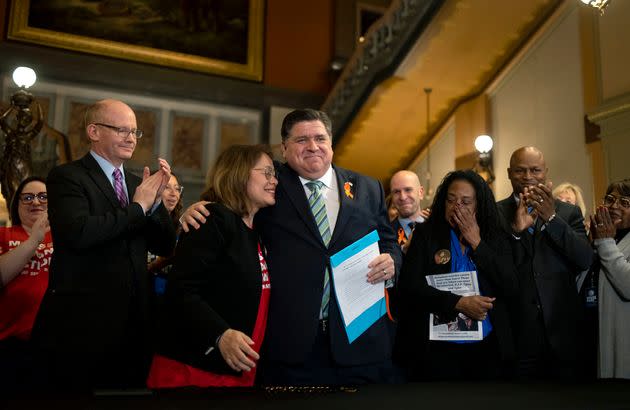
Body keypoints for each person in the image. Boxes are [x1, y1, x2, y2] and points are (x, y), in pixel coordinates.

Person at [181, 109, 402, 386]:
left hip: (360, 341)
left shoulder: (368, 187)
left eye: (320, 138)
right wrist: (193, 209)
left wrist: (393, 261)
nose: (313, 146)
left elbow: (388, 240)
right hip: (290, 346)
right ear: (284, 148)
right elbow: (228, 201)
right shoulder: (269, 184)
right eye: (301, 140)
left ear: (331, 143)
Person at [32, 99, 176, 390]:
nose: (131, 138)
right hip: (81, 328)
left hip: (134, 328)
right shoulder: (68, 177)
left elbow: (164, 245)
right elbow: (80, 233)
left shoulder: (139, 183)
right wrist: (139, 207)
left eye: (135, 132)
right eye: (121, 129)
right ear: (94, 131)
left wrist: (158, 203)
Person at [147, 144, 276, 388]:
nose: (274, 181)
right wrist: (220, 335)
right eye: (267, 172)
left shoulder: (256, 231)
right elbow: (181, 290)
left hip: (237, 371)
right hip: (194, 371)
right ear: (239, 174)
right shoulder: (212, 219)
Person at [395, 170, 518, 381]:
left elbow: (511, 285)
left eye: (466, 201)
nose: (456, 207)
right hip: (436, 349)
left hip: (487, 349)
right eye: (451, 200)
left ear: (479, 204)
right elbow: (409, 287)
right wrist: (457, 303)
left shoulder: (495, 235)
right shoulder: (426, 234)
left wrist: (477, 243)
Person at [496, 146, 593, 379]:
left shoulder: (568, 213)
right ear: (509, 173)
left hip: (563, 328)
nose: (528, 177)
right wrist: (517, 233)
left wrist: (551, 218)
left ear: (545, 172)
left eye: (535, 170)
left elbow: (584, 258)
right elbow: (496, 269)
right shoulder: (495, 213)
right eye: (520, 170)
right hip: (517, 331)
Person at [0, 177, 52, 391]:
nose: (36, 202)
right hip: (11, 344)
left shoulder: (68, 237)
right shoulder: (4, 235)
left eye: (43, 197)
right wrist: (34, 239)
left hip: (56, 344)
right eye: (27, 198)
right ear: (17, 204)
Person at [589, 179, 630, 379]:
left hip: (621, 341)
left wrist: (605, 242)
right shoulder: (603, 234)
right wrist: (592, 245)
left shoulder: (606, 238)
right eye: (610, 199)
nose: (615, 206)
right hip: (589, 334)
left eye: (625, 203)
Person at [148, 174, 184, 290]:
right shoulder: (140, 223)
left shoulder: (183, 226)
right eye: (167, 187)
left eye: (177, 188)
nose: (174, 194)